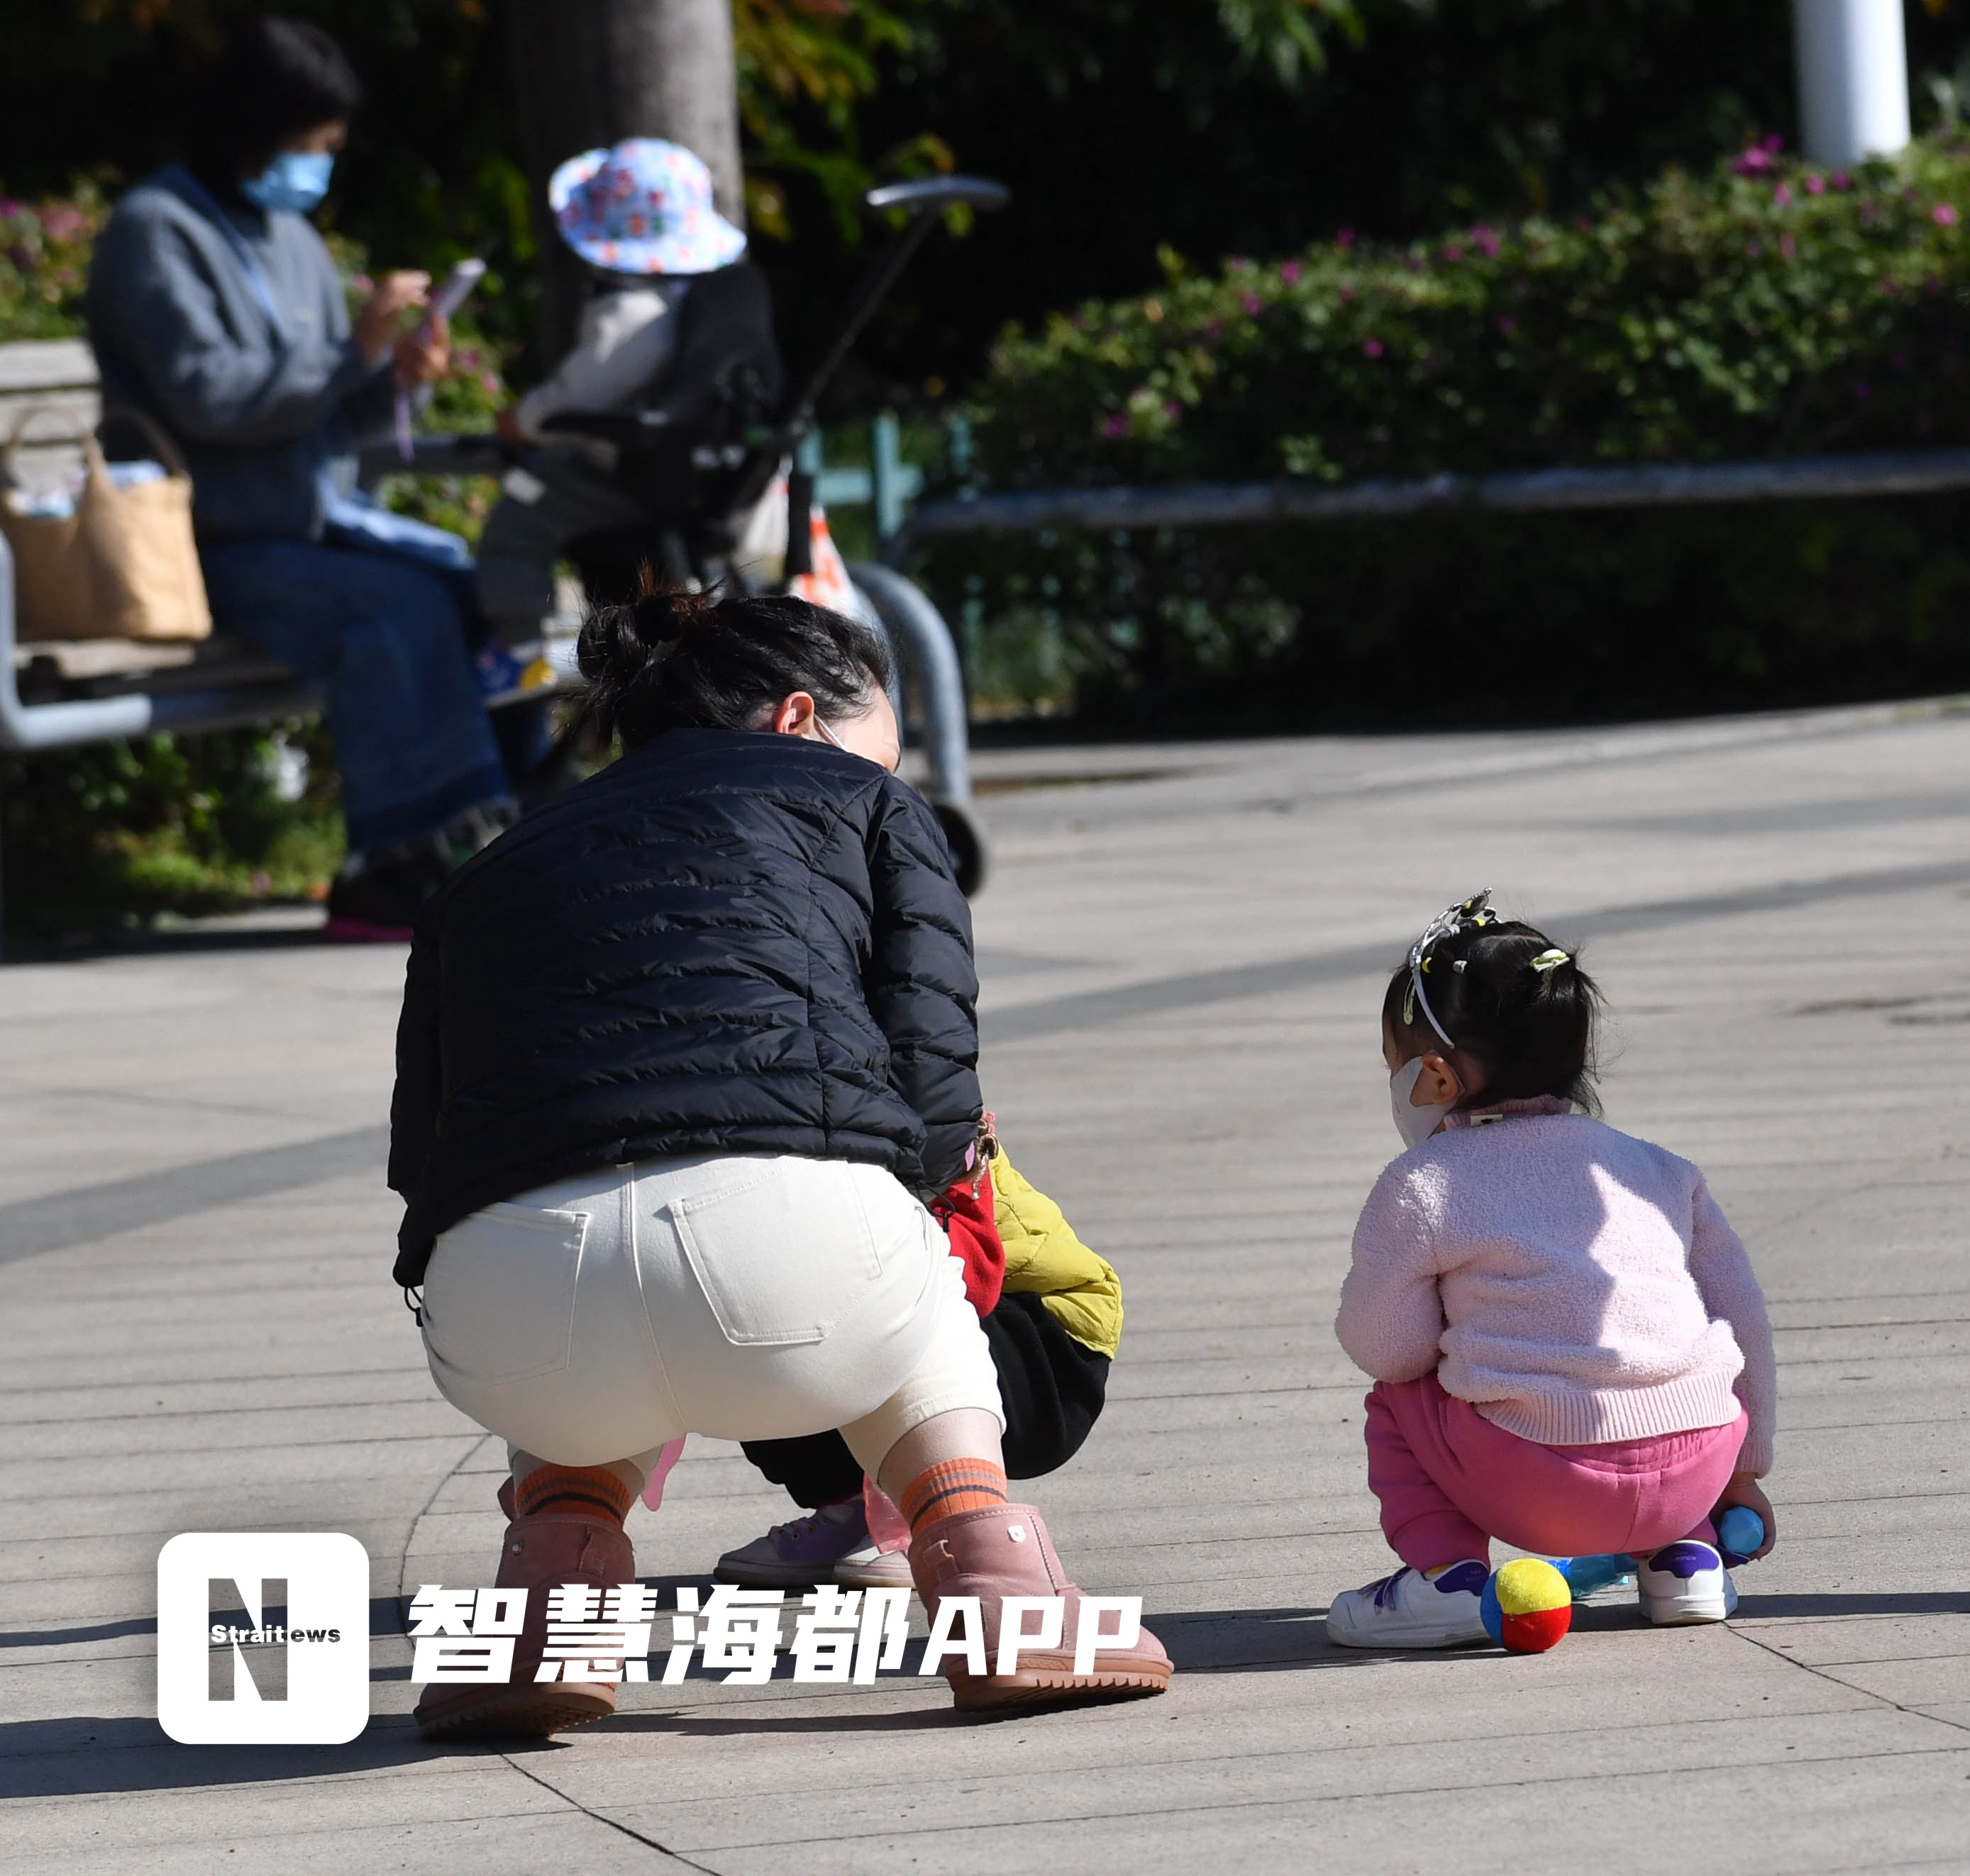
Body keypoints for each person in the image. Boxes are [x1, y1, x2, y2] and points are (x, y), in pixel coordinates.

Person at [387, 588, 1170, 1739]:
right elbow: (934, 1082)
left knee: (558, 1183)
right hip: (795, 1275)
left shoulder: (496, 862)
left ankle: (549, 1594)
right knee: (901, 1244)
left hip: (505, 1329)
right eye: (880, 755)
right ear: (800, 719)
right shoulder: (863, 807)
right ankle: (999, 1595)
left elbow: (430, 1147)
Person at [84, 14, 517, 939]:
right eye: (310, 143)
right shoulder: (152, 232)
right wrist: (352, 350)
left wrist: (388, 376)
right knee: (392, 611)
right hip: (213, 540)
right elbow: (213, 403)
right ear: (255, 125)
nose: (321, 164)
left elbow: (326, 416)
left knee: (473, 588)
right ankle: (397, 859)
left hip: (309, 522)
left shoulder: (289, 233)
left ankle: (502, 830)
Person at [1325, 894, 1778, 1648]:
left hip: (1537, 1487)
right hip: (1698, 1463)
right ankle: (1687, 1560)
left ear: (1434, 1077)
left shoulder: (1424, 1183)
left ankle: (1447, 1578)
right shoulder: (1658, 1168)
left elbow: (1385, 1346)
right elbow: (1744, 1317)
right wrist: (1743, 1467)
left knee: (1400, 1395)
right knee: (1672, 1361)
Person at [717, 1130, 1127, 1590]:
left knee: (871, 1295)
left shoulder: (901, 1104)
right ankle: (855, 1511)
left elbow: (970, 1274)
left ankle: (914, 1511)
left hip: (1049, 1343)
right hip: (906, 1286)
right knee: (743, 1297)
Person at [477, 137, 782, 655]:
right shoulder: (714, 300)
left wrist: (520, 421)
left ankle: (523, 649)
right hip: (714, 477)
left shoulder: (630, 314)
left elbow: (577, 394)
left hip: (632, 477)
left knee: (520, 513)